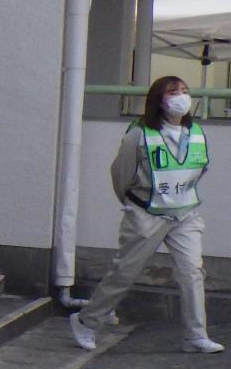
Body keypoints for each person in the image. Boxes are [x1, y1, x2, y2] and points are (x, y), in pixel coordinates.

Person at [69, 77, 223, 353]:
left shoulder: (196, 132)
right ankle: (86, 321)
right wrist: (132, 203)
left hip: (185, 214)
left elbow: (199, 170)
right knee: (125, 272)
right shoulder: (139, 133)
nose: (181, 97)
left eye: (185, 92)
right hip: (147, 212)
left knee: (192, 273)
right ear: (158, 100)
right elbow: (121, 174)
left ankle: (195, 335)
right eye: (173, 92)